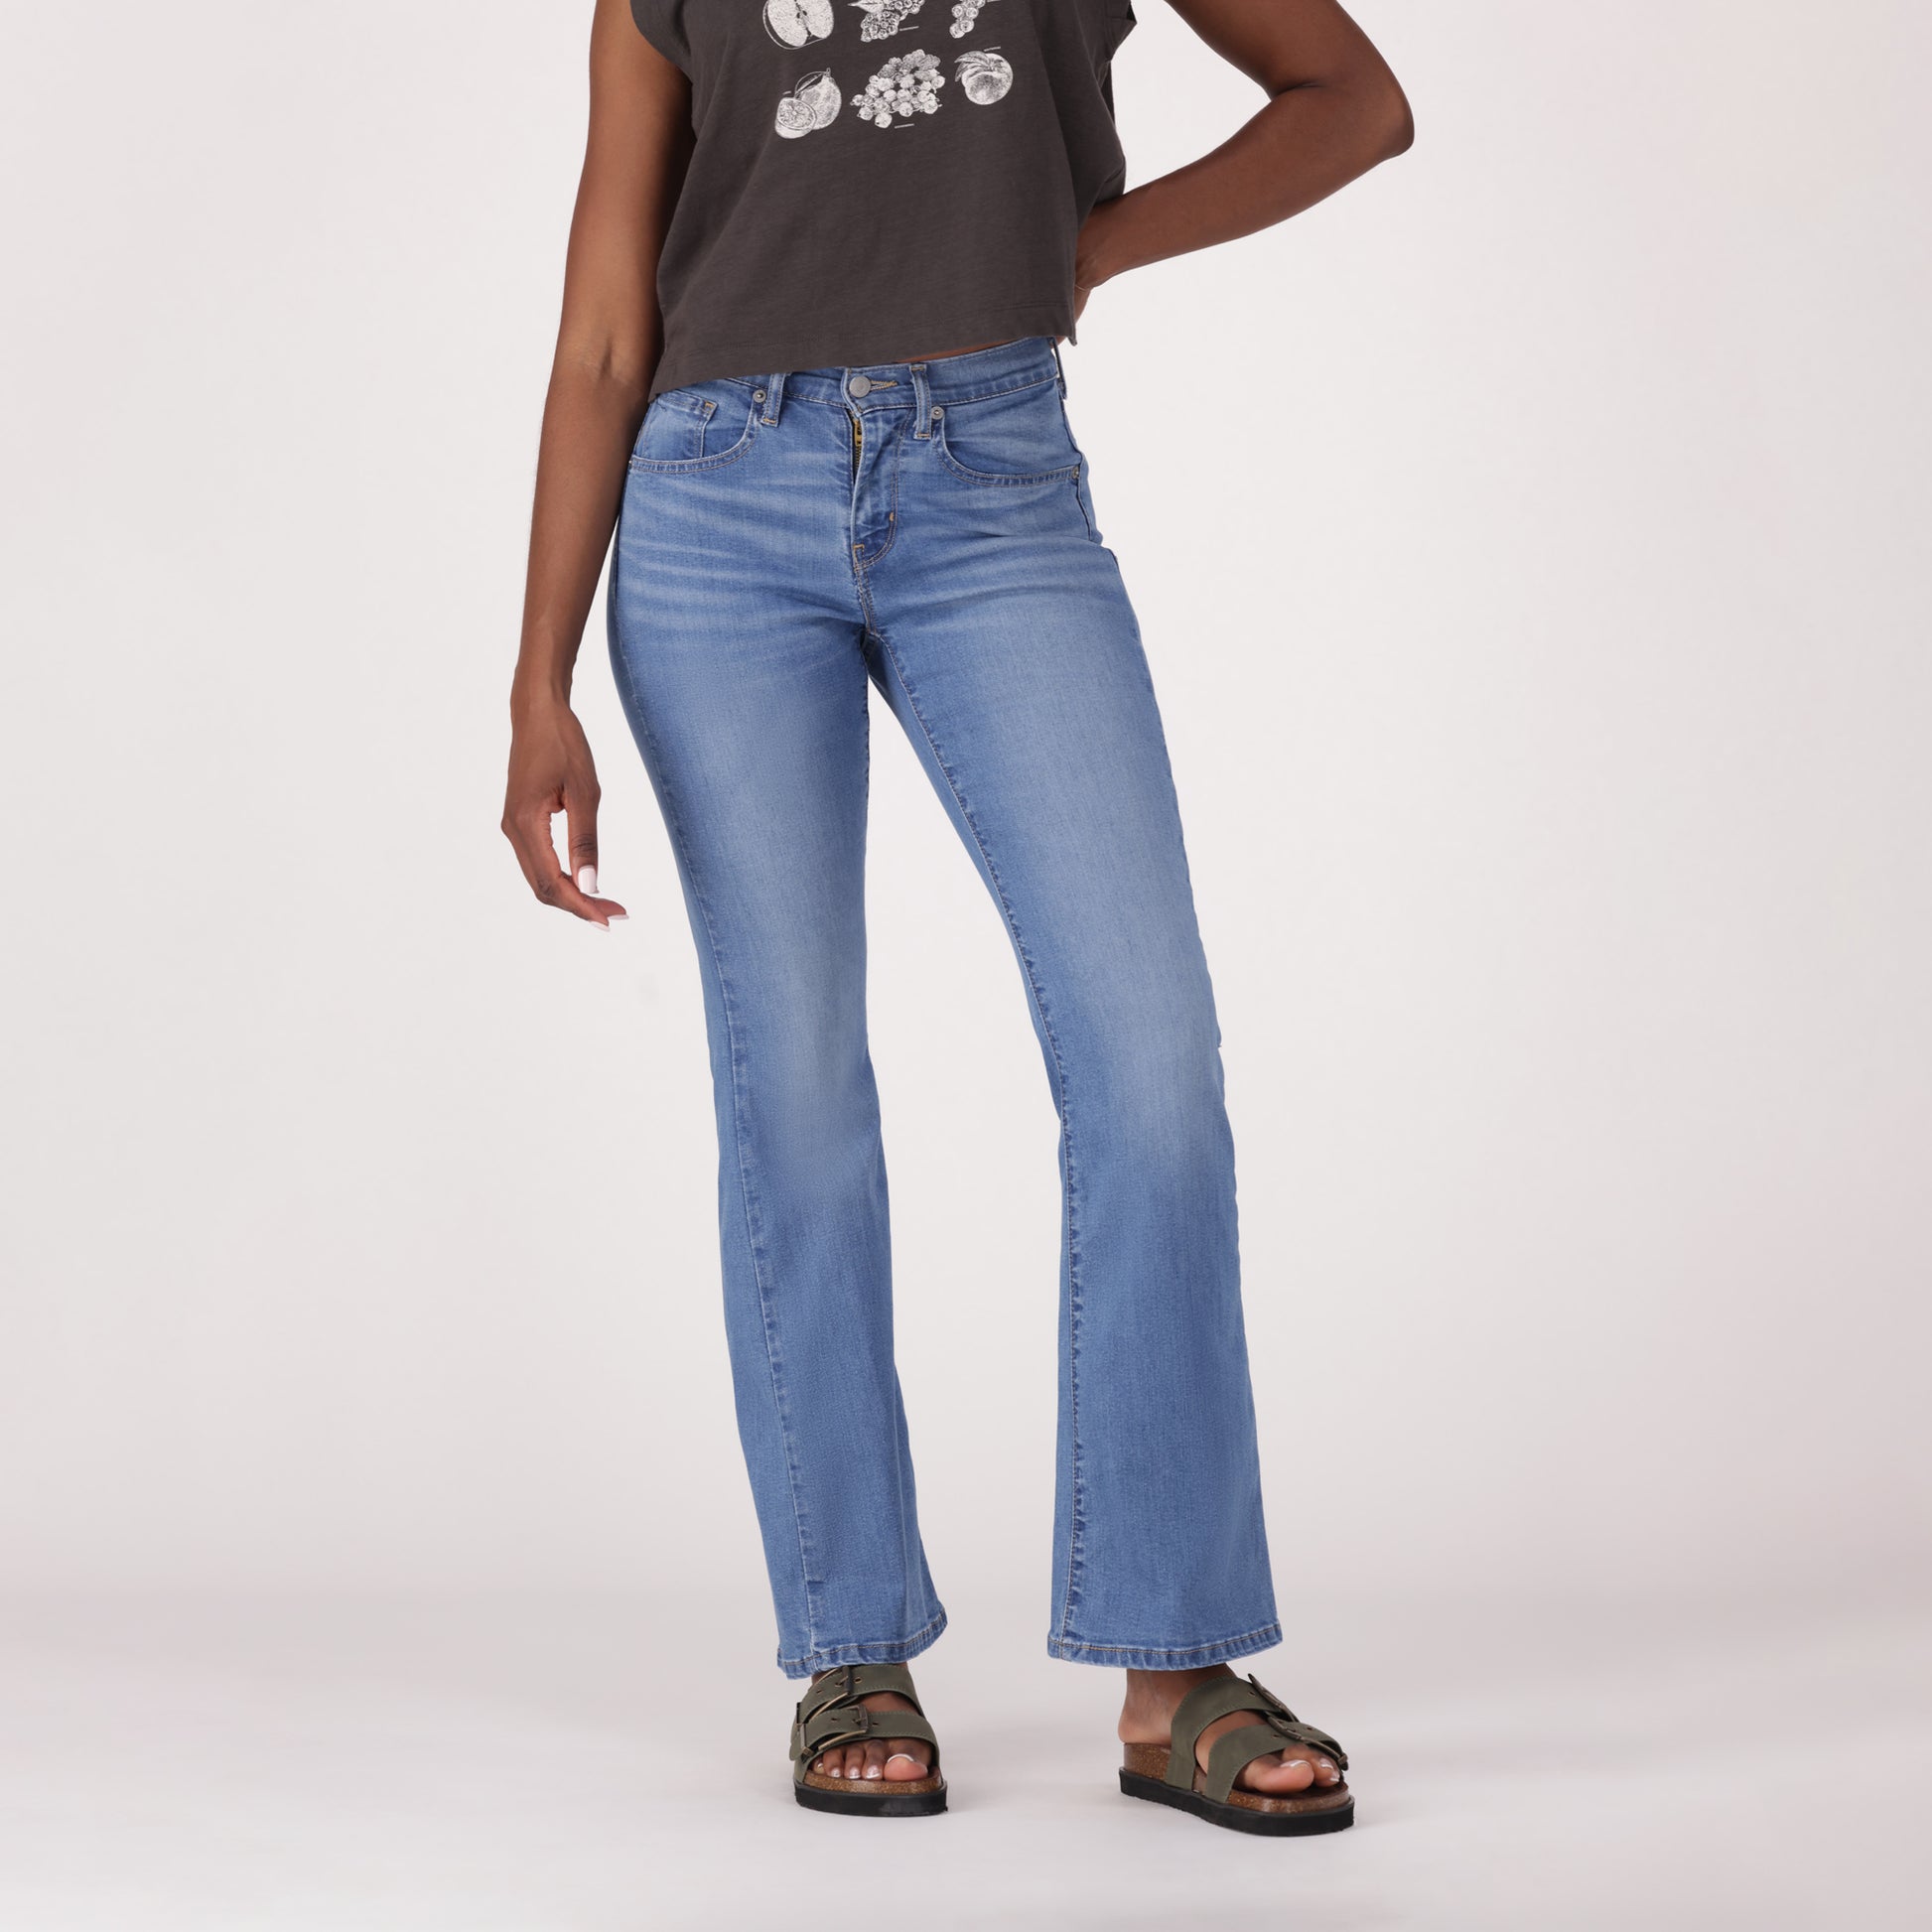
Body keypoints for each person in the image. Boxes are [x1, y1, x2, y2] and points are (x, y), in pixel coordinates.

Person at [502, 0, 1411, 1835]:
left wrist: (1090, 246)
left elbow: (1352, 102)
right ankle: (850, 1643)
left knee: (1150, 1064)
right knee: (795, 1091)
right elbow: (605, 327)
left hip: (990, 483)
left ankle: (1176, 1664)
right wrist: (538, 678)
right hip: (711, 505)